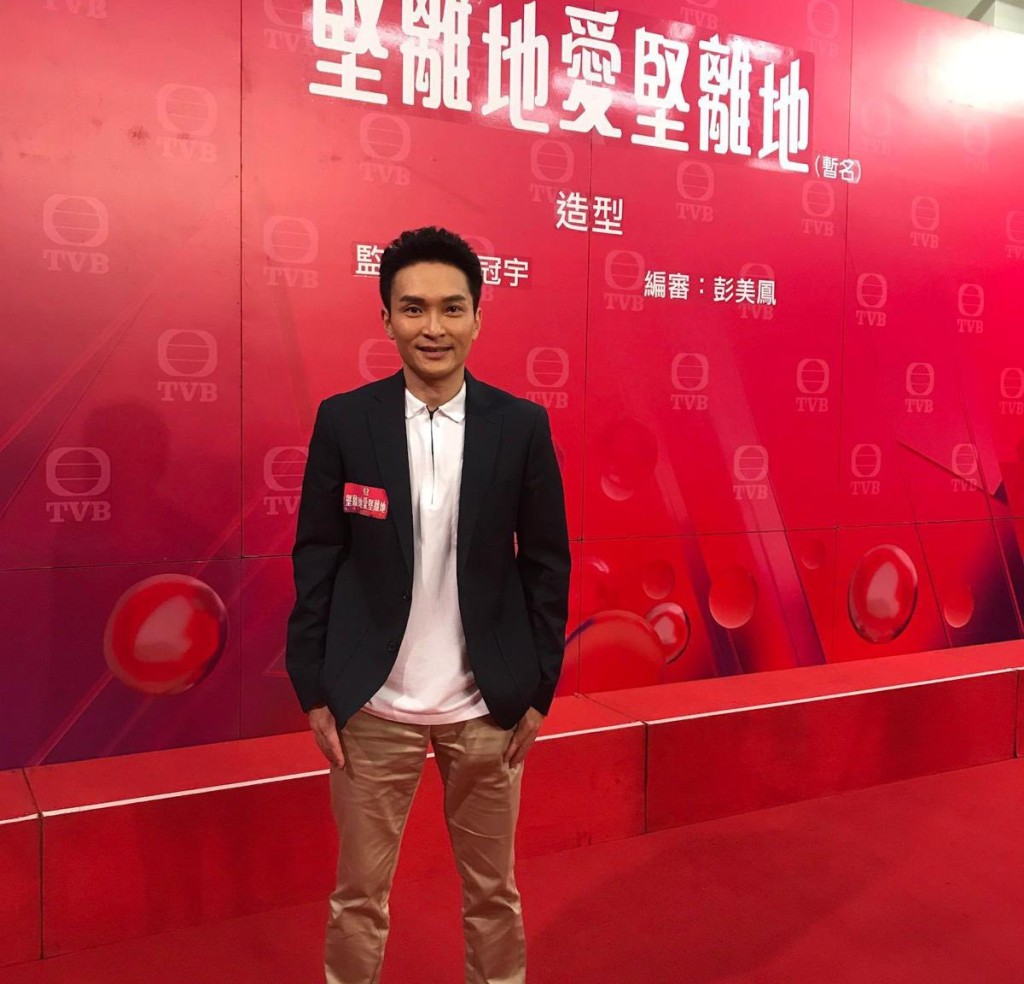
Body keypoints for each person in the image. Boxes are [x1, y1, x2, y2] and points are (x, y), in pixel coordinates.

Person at [286, 226, 571, 984]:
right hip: (372, 708)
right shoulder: (346, 421)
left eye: (452, 308)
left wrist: (539, 688)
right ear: (386, 319)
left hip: (486, 708)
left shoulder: (521, 426)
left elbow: (547, 564)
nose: (433, 327)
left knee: (493, 896)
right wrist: (314, 688)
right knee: (358, 898)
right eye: (413, 308)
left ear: (478, 317)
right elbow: (317, 557)